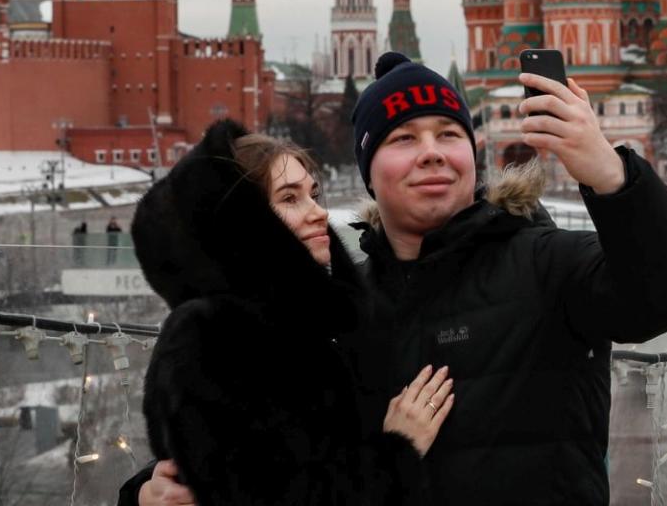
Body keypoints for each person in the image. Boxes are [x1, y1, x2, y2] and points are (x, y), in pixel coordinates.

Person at [133, 52, 667, 505]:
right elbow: (258, 451)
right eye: (404, 139)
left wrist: (609, 172)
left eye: (449, 134)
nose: (431, 153)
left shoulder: (546, 265)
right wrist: (144, 495)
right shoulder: (340, 313)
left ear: (472, 155)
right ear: (369, 172)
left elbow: (664, 291)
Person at [126, 119, 453, 505]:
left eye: (313, 194)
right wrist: (400, 450)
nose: (318, 213)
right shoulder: (213, 335)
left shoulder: (332, 319)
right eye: (289, 198)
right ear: (243, 223)